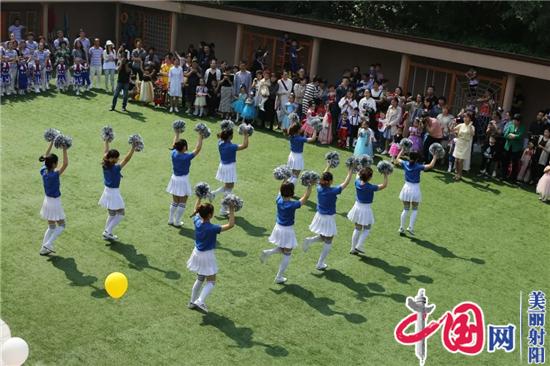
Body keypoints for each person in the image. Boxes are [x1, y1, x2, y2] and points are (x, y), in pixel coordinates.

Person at [187, 198, 236, 313]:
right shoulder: (212, 228)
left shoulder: (197, 221)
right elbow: (231, 224)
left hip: (197, 253)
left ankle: (192, 302)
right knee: (211, 281)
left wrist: (199, 197)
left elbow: (196, 209)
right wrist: (232, 210)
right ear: (210, 215)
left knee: (200, 278)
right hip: (207, 256)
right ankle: (200, 301)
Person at [302, 163, 354, 270]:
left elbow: (324, 176)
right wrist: (350, 171)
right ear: (330, 182)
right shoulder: (333, 191)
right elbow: (346, 183)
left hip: (319, 215)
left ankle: (310, 241)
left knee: (324, 236)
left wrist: (328, 165)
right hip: (328, 218)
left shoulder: (319, 187)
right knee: (329, 239)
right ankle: (320, 263)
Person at [260, 182, 313, 284]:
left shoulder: (279, 200)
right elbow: (305, 198)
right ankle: (279, 276)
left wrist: (284, 179)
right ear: (292, 193)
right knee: (287, 252)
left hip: (278, 227)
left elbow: (280, 191)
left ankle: (268, 253)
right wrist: (309, 187)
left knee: (284, 248)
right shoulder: (292, 205)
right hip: (287, 230)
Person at [99, 138, 136, 241]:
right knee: (121, 213)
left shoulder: (105, 164)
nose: (118, 159)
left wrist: (106, 141)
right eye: (117, 158)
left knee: (112, 213)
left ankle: (107, 232)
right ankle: (107, 231)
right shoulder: (116, 168)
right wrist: (133, 148)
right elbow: (127, 159)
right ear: (113, 158)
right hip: (113, 192)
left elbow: (105, 152)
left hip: (106, 191)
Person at [167, 128, 203, 227]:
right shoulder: (186, 157)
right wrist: (200, 136)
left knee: (175, 201)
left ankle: (170, 219)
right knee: (182, 201)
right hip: (183, 180)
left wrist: (177, 133)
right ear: (184, 148)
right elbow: (198, 149)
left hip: (174, 178)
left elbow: (174, 143)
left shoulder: (173, 153)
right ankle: (177, 221)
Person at [395, 150, 437, 235]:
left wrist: (403, 149)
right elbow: (431, 165)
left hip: (406, 188)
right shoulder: (418, 166)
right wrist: (435, 156)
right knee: (415, 208)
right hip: (415, 189)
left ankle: (401, 228)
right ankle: (410, 227)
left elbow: (397, 158)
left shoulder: (405, 163)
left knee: (405, 209)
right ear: (417, 159)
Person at [348, 167, 388, 255]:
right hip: (365, 209)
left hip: (357, 207)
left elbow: (357, 175)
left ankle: (352, 248)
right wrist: (385, 175)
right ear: (369, 178)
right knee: (367, 227)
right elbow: (384, 185)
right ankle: (359, 245)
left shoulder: (357, 182)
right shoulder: (371, 187)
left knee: (357, 228)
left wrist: (360, 168)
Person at [38, 140, 69, 256]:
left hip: (46, 201)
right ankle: (48, 244)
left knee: (51, 226)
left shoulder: (43, 171)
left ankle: (43, 248)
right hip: (55, 203)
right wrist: (64, 148)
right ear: (55, 164)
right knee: (62, 225)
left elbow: (46, 156)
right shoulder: (55, 174)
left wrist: (51, 142)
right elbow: (65, 164)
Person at [211, 128, 250, 216]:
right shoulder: (231, 146)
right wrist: (246, 135)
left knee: (227, 186)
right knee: (229, 187)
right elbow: (245, 145)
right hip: (229, 167)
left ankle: (214, 194)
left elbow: (220, 136)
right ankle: (223, 209)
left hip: (222, 166)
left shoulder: (220, 143)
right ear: (230, 136)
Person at [501, 114, 526, 182]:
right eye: (514, 120)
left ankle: (513, 178)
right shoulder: (510, 125)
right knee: (505, 162)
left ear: (519, 121)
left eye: (516, 120)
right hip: (508, 147)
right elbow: (505, 134)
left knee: (515, 164)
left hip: (516, 148)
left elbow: (520, 136)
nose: (514, 121)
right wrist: (512, 135)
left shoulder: (522, 127)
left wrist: (512, 135)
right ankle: (503, 176)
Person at [452, 112, 475, 181]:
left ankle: (459, 174)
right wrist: (455, 130)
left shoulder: (472, 127)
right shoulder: (461, 125)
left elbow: (472, 134)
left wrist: (470, 126)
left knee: (460, 160)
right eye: (464, 117)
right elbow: (453, 129)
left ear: (470, 118)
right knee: (456, 160)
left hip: (465, 144)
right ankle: (456, 173)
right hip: (459, 142)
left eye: (467, 117)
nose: (465, 118)